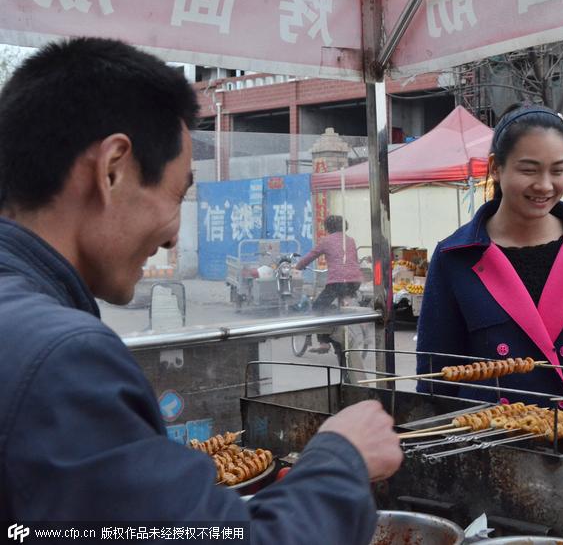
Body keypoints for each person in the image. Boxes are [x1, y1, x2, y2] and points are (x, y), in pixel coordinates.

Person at [0, 38, 402, 541]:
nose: (173, 233)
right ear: (112, 170)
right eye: (178, 193)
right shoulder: (61, 360)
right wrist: (340, 459)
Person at [414, 104, 563, 419]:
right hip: (486, 440)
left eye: (558, 170)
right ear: (496, 168)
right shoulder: (455, 257)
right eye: (529, 170)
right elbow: (436, 377)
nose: (545, 185)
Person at [293, 215, 364, 355]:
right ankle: (341, 329)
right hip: (354, 281)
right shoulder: (350, 240)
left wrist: (298, 266)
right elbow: (353, 261)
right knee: (336, 305)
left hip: (338, 282)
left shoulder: (326, 241)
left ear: (327, 227)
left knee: (318, 306)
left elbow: (311, 256)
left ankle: (324, 342)